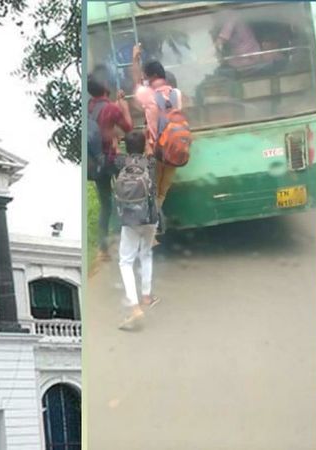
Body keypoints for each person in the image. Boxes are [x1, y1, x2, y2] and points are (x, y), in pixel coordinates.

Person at [115, 131, 160, 329]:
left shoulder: (120, 163)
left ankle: (134, 309)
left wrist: (118, 141)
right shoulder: (150, 163)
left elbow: (114, 151)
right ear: (144, 146)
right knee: (146, 254)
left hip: (130, 219)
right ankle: (147, 296)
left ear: (126, 147)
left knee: (125, 262)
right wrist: (149, 145)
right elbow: (151, 153)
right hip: (150, 216)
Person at [131, 44, 184, 212]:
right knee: (162, 193)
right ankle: (154, 229)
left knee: (151, 192)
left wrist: (134, 59)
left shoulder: (148, 95)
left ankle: (150, 232)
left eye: (146, 76)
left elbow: (136, 86)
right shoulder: (177, 93)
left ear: (152, 76)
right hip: (175, 148)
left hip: (155, 150)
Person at [88, 69, 133, 259]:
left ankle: (102, 250)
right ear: (106, 86)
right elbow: (128, 128)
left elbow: (103, 120)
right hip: (112, 159)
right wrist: (124, 107)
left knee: (105, 204)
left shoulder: (89, 106)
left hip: (96, 162)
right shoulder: (113, 109)